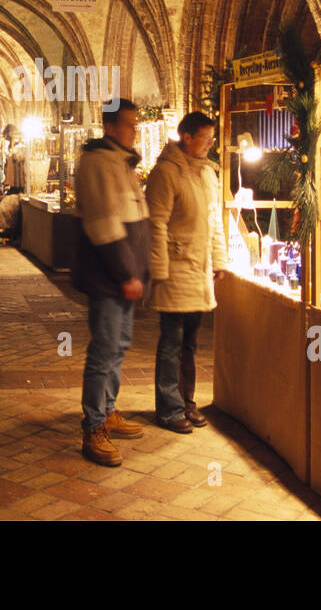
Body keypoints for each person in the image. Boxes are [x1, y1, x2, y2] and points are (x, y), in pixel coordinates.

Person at [73, 98, 150, 466]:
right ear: (110, 127)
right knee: (104, 350)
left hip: (124, 277)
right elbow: (104, 224)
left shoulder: (121, 162)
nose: (134, 130)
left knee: (118, 345)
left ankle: (108, 408)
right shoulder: (99, 164)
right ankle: (93, 427)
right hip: (109, 278)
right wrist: (126, 274)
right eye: (129, 124)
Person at [145, 110, 228, 432]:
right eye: (205, 138)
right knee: (171, 342)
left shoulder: (207, 173)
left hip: (199, 270)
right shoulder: (166, 173)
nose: (210, 144)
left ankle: (186, 402)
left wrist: (218, 260)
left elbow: (213, 220)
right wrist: (158, 269)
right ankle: (169, 409)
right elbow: (156, 223)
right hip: (175, 269)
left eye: (212, 138)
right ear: (187, 137)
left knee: (190, 343)